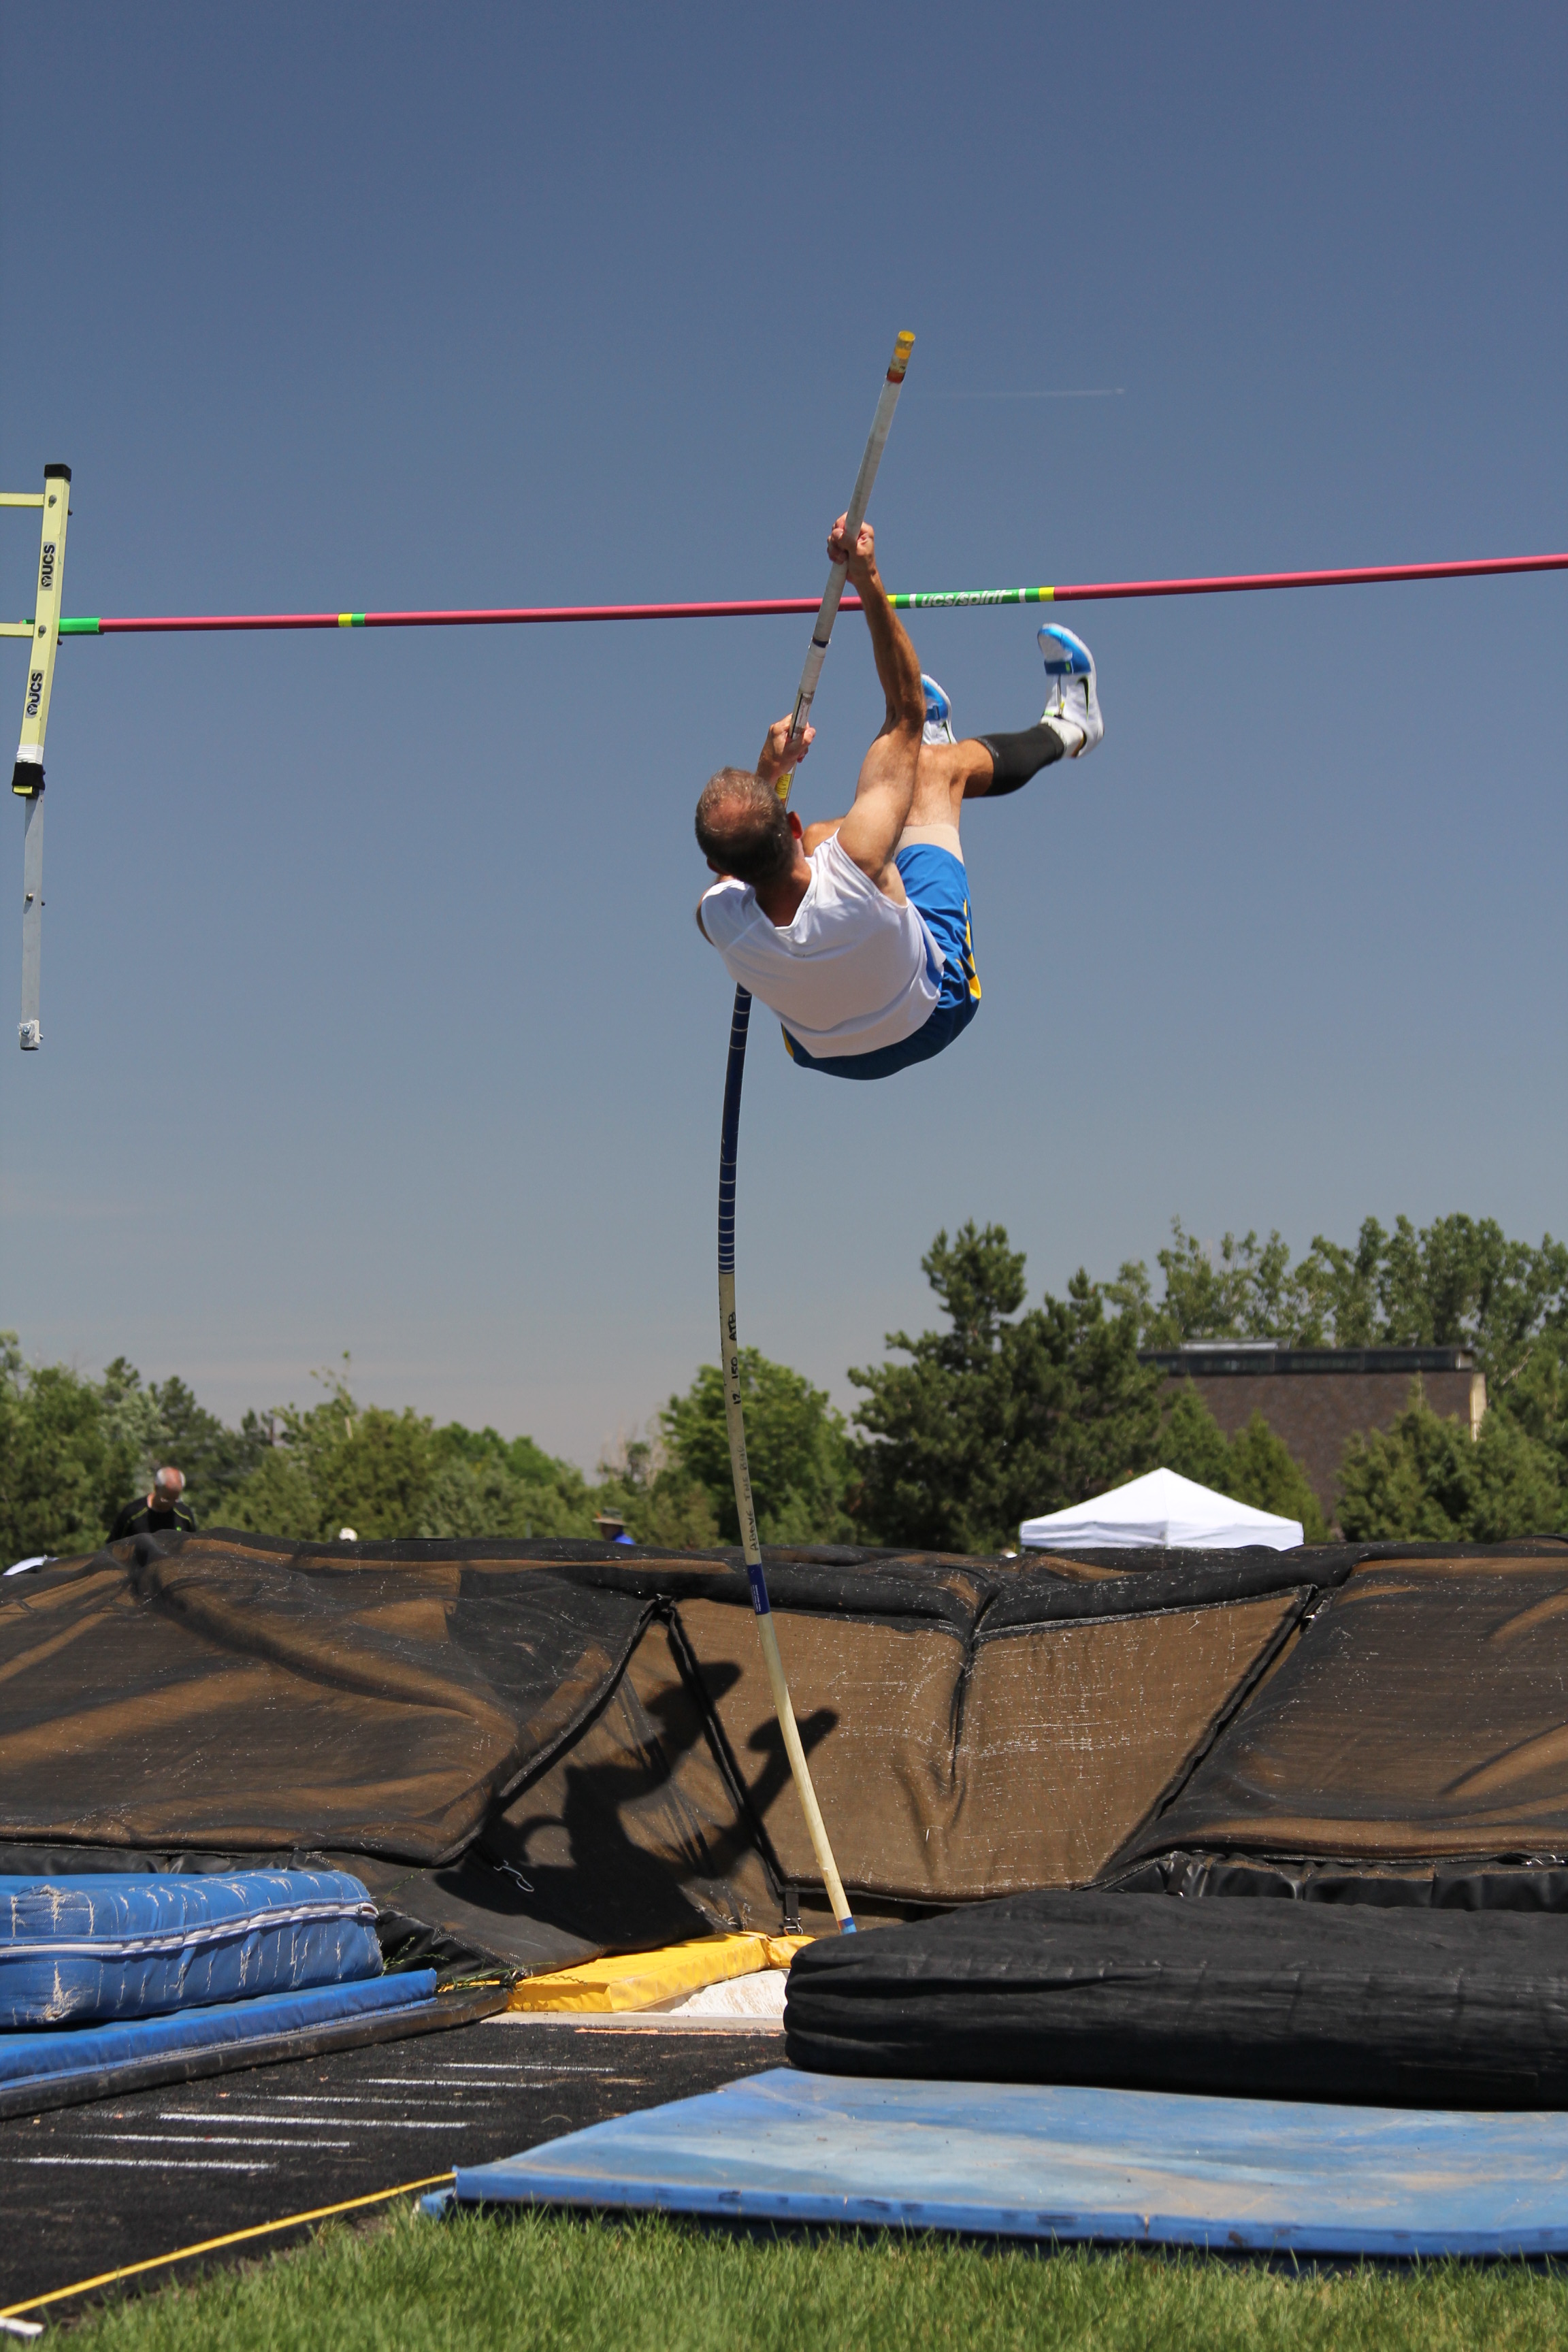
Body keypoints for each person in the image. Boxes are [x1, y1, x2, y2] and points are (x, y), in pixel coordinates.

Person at [694, 511, 1102, 1079]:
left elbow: (737, 871)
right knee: (933, 771)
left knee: (825, 838)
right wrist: (867, 577)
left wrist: (768, 772)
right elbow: (902, 712)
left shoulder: (718, 917)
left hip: (824, 1052)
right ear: (784, 822)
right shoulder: (858, 862)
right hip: (931, 1014)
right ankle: (1072, 729)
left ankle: (934, 761)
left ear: (719, 865)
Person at [109, 1465, 197, 1542]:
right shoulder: (133, 1514)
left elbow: (193, 1549)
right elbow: (112, 1548)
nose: (171, 1504)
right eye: (166, 1499)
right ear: (156, 1487)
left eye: (176, 1499)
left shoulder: (185, 1516)